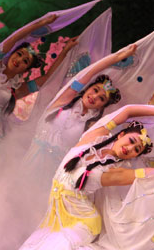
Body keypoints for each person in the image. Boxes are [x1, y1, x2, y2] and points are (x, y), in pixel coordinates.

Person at [0, 107, 154, 250]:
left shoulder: (115, 171)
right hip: (58, 218)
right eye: (132, 141)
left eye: (136, 150)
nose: (130, 148)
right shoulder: (93, 139)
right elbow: (128, 111)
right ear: (121, 134)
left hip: (85, 221)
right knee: (34, 249)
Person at [0, 14, 75, 150]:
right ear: (12, 53)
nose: (19, 60)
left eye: (25, 61)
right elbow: (13, 39)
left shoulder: (15, 89)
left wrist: (65, 51)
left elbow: (47, 78)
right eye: (19, 54)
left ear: (26, 69)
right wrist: (41, 23)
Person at [25, 44, 136, 178]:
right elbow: (89, 73)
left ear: (102, 106)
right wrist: (118, 57)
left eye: (101, 98)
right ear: (87, 88)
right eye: (95, 90)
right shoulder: (62, 102)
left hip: (52, 176)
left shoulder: (92, 126)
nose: (94, 96)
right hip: (27, 166)